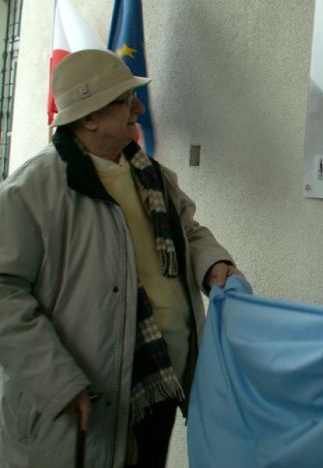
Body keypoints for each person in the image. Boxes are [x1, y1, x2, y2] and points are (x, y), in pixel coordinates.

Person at [0, 49, 242, 468]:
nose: (139, 108)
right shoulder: (31, 191)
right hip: (78, 405)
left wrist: (212, 263)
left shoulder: (151, 174)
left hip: (160, 383)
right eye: (124, 99)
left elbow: (187, 231)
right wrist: (57, 381)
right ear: (90, 118)